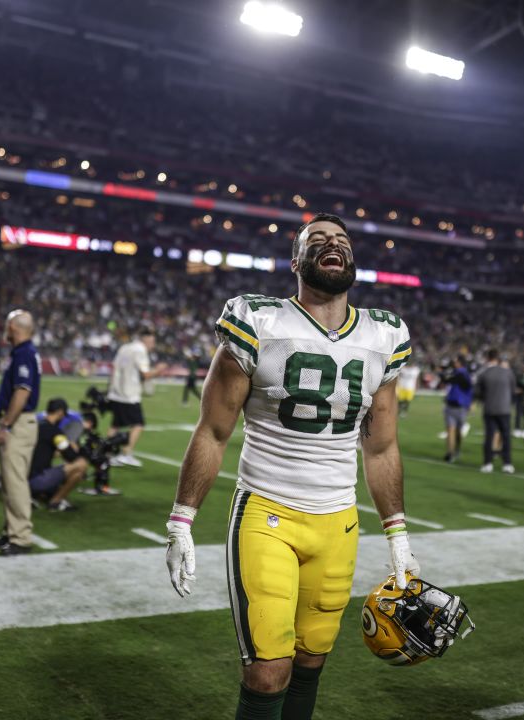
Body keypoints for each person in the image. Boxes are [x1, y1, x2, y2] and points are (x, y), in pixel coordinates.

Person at [163, 213, 419, 720]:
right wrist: (181, 519)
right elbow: (213, 430)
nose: (333, 245)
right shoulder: (259, 320)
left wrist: (398, 535)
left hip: (338, 521)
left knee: (311, 660)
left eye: (342, 240)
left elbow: (382, 447)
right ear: (296, 260)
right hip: (267, 512)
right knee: (267, 669)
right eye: (318, 239)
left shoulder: (382, 334)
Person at [0, 309, 41, 556]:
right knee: (9, 481)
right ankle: (11, 531)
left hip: (18, 424)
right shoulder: (23, 352)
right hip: (18, 423)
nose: (5, 330)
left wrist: (6, 424)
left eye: (7, 326)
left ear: (14, 328)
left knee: (15, 481)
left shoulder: (25, 353)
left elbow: (22, 392)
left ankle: (21, 537)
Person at [105, 326, 168, 468]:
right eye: (152, 342)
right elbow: (145, 374)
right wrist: (159, 370)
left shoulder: (125, 347)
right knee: (138, 424)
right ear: (146, 340)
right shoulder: (140, 350)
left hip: (116, 392)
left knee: (116, 424)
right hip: (129, 394)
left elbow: (114, 368)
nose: (153, 345)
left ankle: (106, 454)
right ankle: (126, 454)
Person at [26, 398, 89, 511]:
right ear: (60, 412)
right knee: (81, 465)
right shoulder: (55, 432)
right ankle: (55, 502)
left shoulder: (35, 424)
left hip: (22, 478)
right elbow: (70, 456)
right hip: (37, 481)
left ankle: (40, 495)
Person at [472, 348, 515, 474]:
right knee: (506, 437)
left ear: (487, 358)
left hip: (489, 408)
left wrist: (486, 398)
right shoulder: (508, 372)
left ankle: (487, 463)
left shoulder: (484, 373)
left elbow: (478, 392)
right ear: (498, 359)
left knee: (489, 436)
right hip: (505, 409)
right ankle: (507, 463)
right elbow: (513, 390)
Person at [441, 356, 473, 462]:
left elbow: (449, 380)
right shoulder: (456, 373)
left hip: (461, 407)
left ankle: (457, 449)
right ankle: (450, 453)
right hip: (451, 405)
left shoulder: (462, 374)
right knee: (450, 429)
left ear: (460, 363)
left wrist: (443, 375)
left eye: (456, 362)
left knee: (458, 432)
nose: (454, 363)